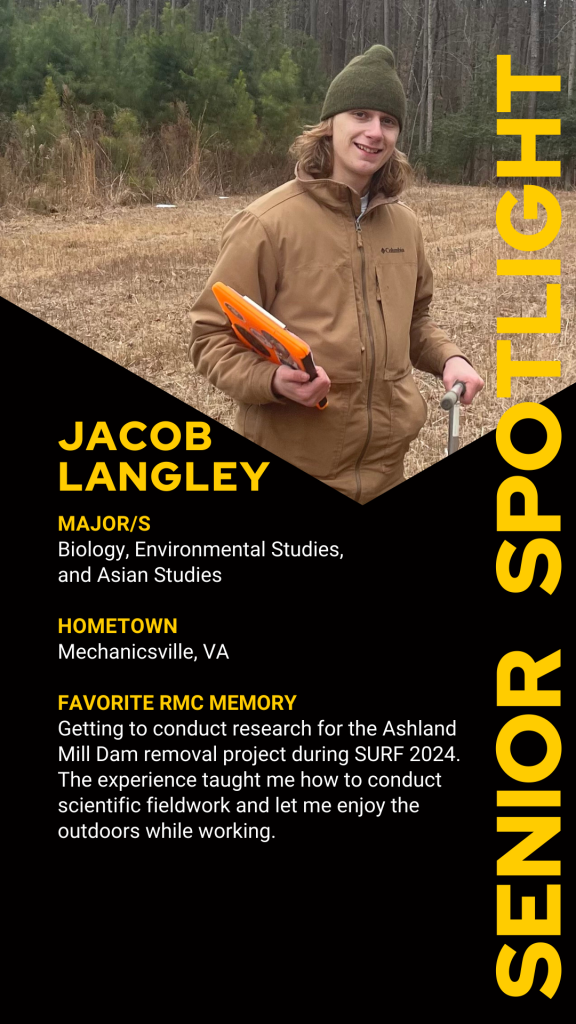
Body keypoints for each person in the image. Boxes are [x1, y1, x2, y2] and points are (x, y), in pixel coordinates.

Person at [190, 45, 484, 504]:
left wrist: (448, 358)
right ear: (330, 124)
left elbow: (415, 320)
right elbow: (210, 336)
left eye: (388, 121)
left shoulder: (405, 226)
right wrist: (271, 381)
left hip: (386, 472)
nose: (374, 132)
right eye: (360, 115)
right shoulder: (267, 223)